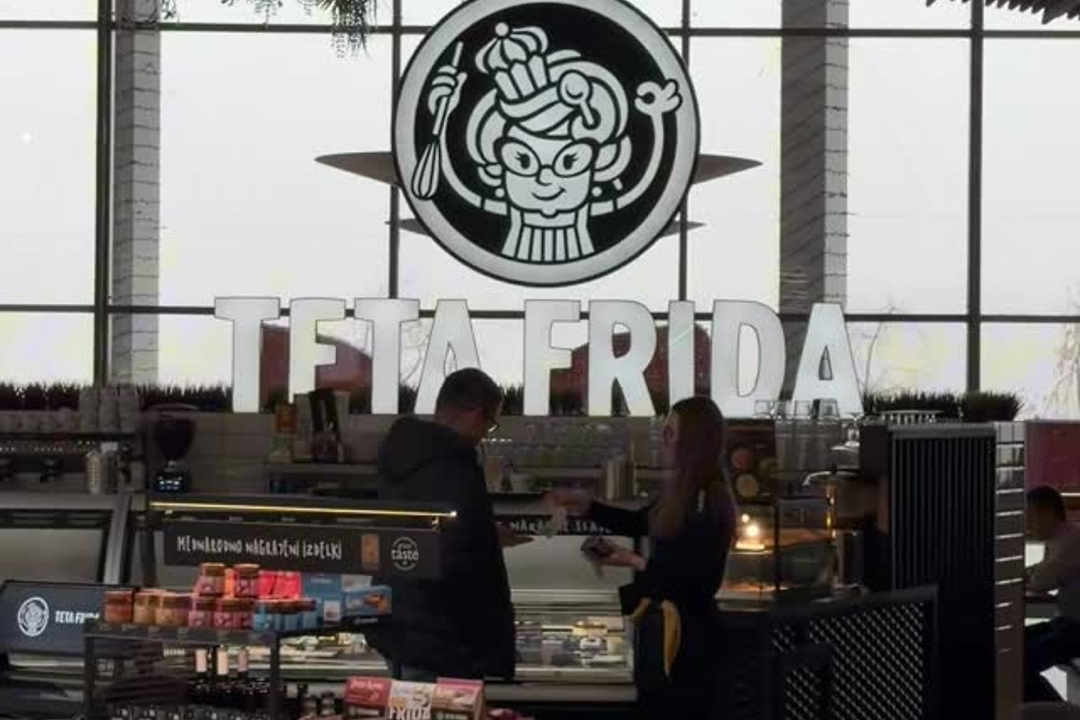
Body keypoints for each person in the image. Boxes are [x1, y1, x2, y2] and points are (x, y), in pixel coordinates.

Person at [548, 396, 737, 718]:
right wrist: (587, 506)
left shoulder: (708, 498)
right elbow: (640, 523)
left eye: (671, 433)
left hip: (690, 638)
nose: (663, 440)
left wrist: (634, 562)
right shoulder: (681, 491)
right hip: (664, 631)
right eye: (664, 431)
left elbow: (696, 585)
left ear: (693, 440)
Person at [373, 368, 521, 682]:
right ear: (474, 414)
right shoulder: (454, 464)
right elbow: (456, 559)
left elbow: (428, 533)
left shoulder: (404, 455)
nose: (485, 433)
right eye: (489, 423)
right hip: (443, 642)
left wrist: (483, 533)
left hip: (400, 628)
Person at [1024, 485, 1080, 702]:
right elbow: (1041, 570)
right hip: (1065, 621)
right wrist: (1029, 574)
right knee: (1010, 646)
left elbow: (1041, 582)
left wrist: (1029, 575)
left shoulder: (1072, 543)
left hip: (1076, 628)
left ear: (1047, 513)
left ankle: (1057, 713)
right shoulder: (1059, 539)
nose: (1028, 524)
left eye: (1031, 516)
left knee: (1022, 660)